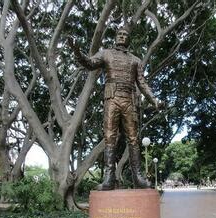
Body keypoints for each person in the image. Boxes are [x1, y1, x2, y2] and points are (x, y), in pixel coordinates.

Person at [69, 27, 164, 190]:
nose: (121, 36)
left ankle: (138, 177)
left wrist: (154, 100)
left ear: (129, 39)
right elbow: (90, 63)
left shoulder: (135, 60)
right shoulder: (105, 53)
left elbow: (142, 83)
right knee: (109, 136)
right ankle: (108, 178)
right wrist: (77, 51)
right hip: (111, 99)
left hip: (129, 100)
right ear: (115, 38)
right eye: (119, 34)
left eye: (125, 35)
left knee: (133, 138)